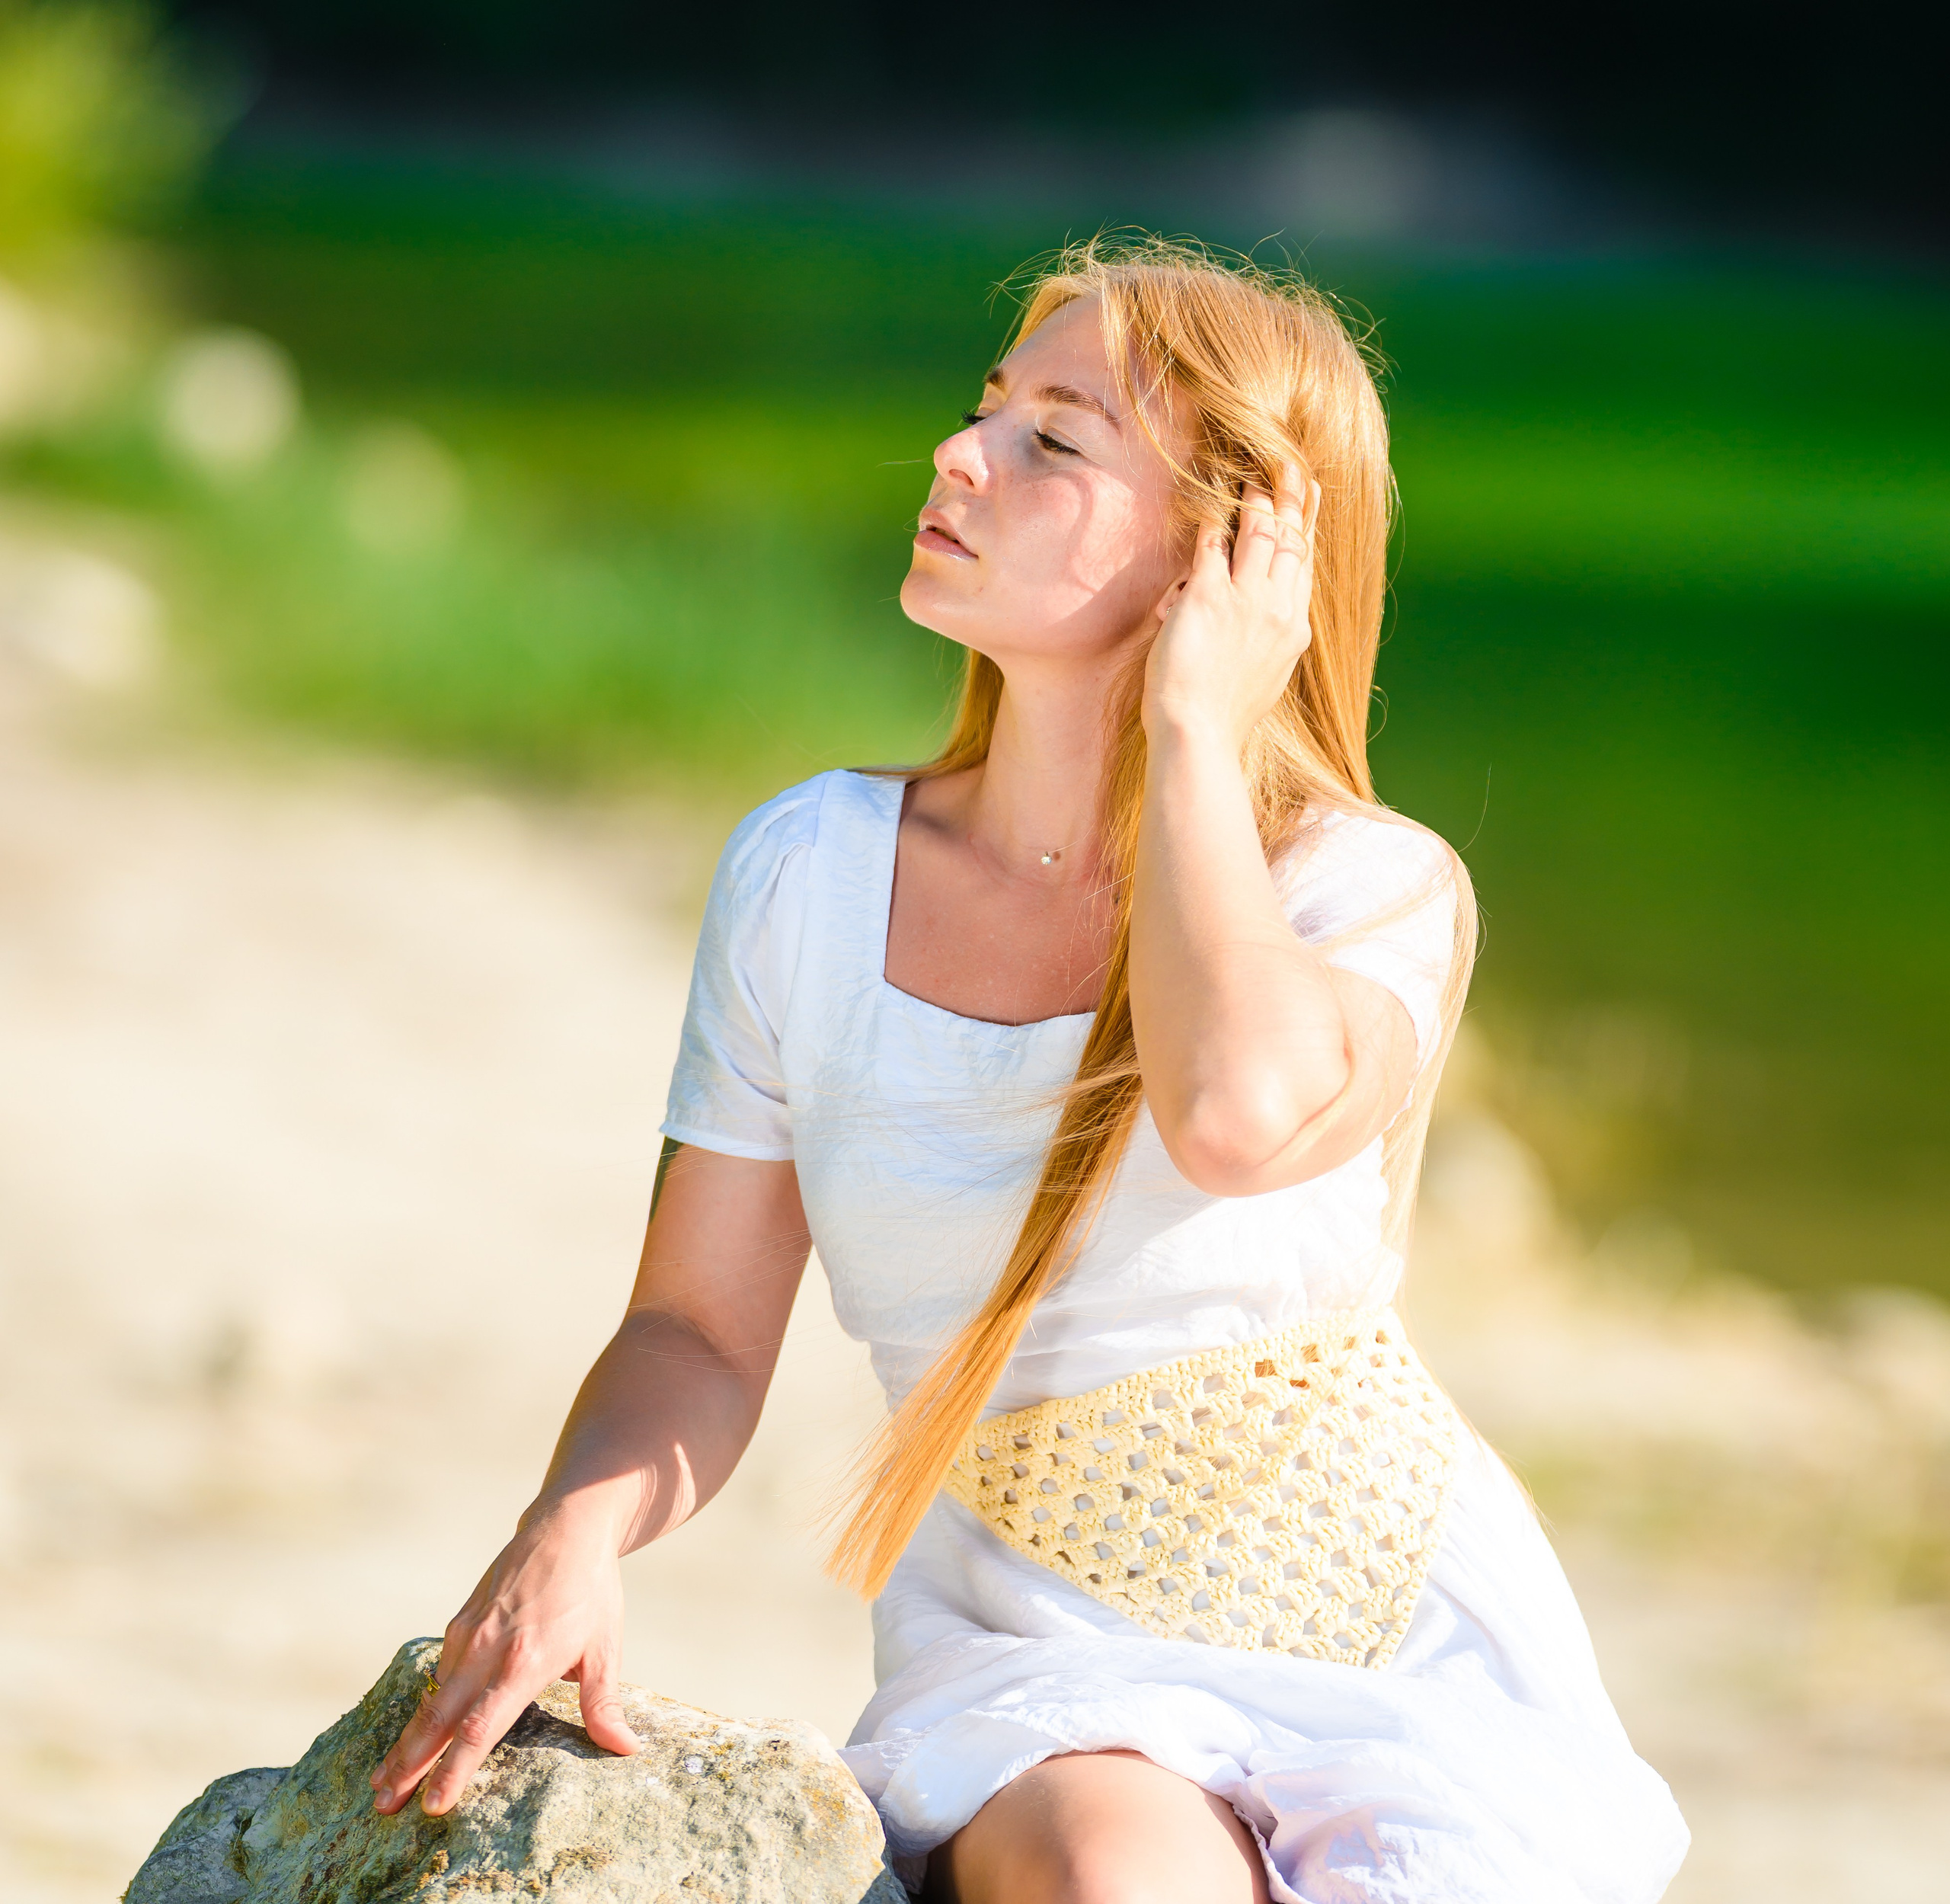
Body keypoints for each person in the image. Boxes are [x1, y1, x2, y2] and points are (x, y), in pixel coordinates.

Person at [370, 236, 1688, 1903]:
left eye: (1053, 439)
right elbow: (696, 1325)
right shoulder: (809, 872)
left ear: (1237, 554)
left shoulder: (1368, 890)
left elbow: (1228, 1116)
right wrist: (573, 1522)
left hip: (1391, 1624)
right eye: (986, 407)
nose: (957, 453)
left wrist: (1201, 729)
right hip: (1034, 1642)